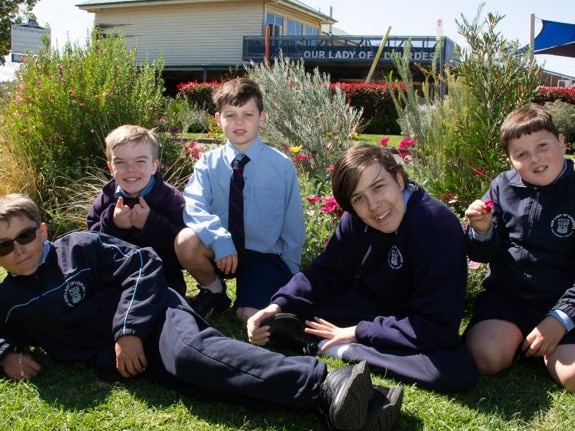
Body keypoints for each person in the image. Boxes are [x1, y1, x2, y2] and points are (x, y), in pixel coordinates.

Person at [0, 193, 404, 431]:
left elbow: (142, 264)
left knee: (194, 356)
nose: (17, 250)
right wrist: (7, 355)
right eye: (4, 246)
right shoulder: (8, 299)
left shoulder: (79, 248)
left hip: (156, 318)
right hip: (126, 361)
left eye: (24, 236)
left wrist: (127, 330)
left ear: (43, 231)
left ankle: (326, 382)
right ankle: (353, 406)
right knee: (205, 385)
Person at [247, 143, 479, 393]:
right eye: (359, 198)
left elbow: (437, 327)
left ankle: (341, 349)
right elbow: (326, 274)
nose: (374, 206)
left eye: (378, 187)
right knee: (296, 315)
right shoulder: (357, 218)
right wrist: (278, 305)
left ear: (399, 179)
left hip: (419, 322)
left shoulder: (435, 226)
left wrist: (357, 333)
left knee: (453, 372)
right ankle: (338, 341)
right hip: (373, 305)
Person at [174, 77, 305, 324]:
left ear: (262, 118)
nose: (239, 122)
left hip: (262, 255)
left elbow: (292, 223)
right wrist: (220, 239)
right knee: (186, 242)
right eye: (230, 114)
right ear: (217, 120)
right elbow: (194, 206)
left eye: (248, 114)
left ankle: (251, 295)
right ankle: (214, 290)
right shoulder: (207, 164)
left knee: (249, 317)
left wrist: (291, 274)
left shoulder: (281, 166)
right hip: (220, 251)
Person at [463, 105, 575, 392]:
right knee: (485, 358)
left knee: (573, 376)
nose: (534, 158)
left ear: (562, 142)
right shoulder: (502, 186)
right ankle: (521, 342)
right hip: (508, 297)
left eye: (542, 145)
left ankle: (547, 345)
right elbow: (481, 254)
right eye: (521, 154)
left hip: (563, 298)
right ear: (510, 160)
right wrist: (483, 231)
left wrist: (562, 318)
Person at [87, 124, 188, 296]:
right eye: (120, 162)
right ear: (110, 168)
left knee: (164, 304)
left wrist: (150, 224)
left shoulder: (170, 198)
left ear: (154, 165)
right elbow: (93, 241)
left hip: (162, 274)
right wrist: (113, 223)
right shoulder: (106, 198)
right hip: (117, 275)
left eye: (140, 161)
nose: (130, 169)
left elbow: (182, 246)